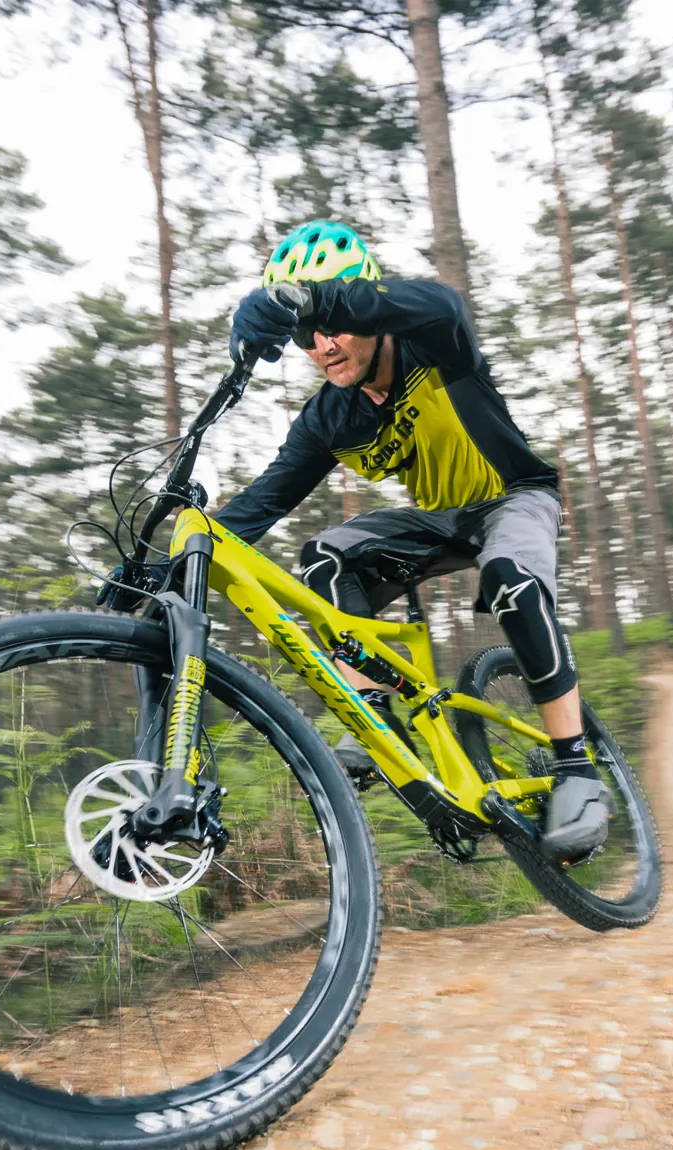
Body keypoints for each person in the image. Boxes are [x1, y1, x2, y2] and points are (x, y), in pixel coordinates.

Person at [216, 220, 610, 860]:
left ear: (366, 308)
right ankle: (373, 708)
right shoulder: (329, 417)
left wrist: (313, 300)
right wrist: (161, 567)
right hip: (441, 521)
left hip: (515, 496)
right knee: (324, 557)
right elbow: (259, 507)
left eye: (334, 323)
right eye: (304, 336)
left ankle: (577, 769)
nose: (322, 345)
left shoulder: (432, 339)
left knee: (510, 579)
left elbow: (444, 302)